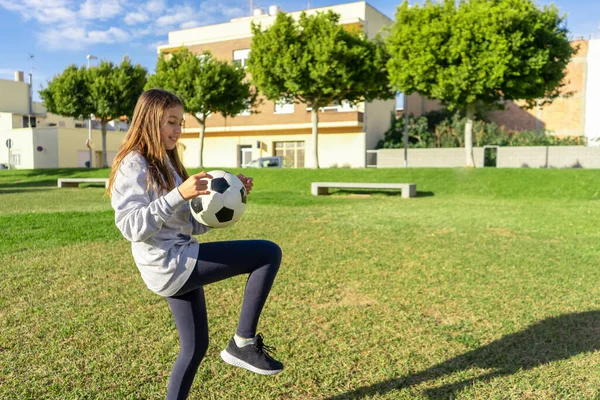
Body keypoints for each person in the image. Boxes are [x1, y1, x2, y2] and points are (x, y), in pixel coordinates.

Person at [106, 88, 283, 400]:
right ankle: (243, 343)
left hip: (178, 256)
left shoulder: (168, 163)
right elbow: (131, 227)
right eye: (171, 122)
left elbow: (187, 224)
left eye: (181, 123)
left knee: (195, 347)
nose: (178, 130)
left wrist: (229, 198)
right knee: (267, 253)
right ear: (149, 121)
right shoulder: (133, 163)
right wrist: (179, 195)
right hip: (169, 262)